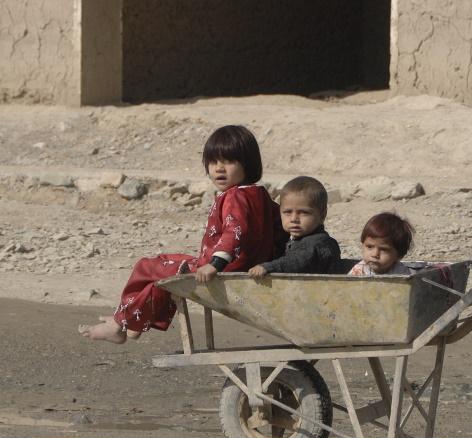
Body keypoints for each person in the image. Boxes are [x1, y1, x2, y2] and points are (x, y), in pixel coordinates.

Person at [79, 125, 280, 344]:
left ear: (248, 164)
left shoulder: (234, 197)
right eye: (213, 162)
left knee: (148, 266)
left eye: (229, 161)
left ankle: (120, 324)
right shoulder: (260, 195)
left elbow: (235, 231)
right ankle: (130, 322)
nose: (219, 169)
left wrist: (215, 264)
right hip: (241, 266)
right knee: (163, 282)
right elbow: (278, 230)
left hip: (222, 268)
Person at [248, 176, 340, 278]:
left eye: (304, 212)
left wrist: (268, 267)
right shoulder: (297, 238)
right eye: (287, 212)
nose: (294, 219)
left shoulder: (319, 243)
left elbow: (297, 261)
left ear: (322, 215)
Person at [347, 212, 415, 276]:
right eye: (369, 247)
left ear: (399, 255)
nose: (375, 254)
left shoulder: (401, 273)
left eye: (384, 249)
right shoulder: (359, 271)